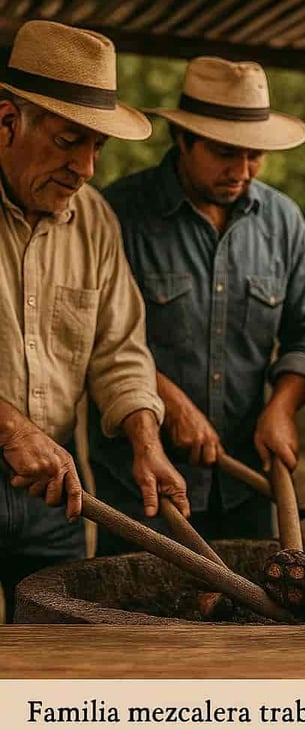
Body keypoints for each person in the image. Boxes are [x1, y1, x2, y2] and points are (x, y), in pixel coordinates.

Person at [88, 57, 305, 553]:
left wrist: (283, 406)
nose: (241, 172)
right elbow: (94, 335)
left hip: (246, 490)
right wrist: (168, 403)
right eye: (224, 153)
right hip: (142, 489)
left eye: (254, 156)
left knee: (255, 601)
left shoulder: (284, 222)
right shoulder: (117, 213)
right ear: (182, 139)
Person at [0, 20, 189, 620]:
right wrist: (12, 429)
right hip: (30, 451)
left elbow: (119, 350)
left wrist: (145, 441)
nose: (85, 167)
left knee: (58, 645)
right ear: (6, 123)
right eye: (67, 141)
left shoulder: (96, 221)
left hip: (52, 491)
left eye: (97, 147)